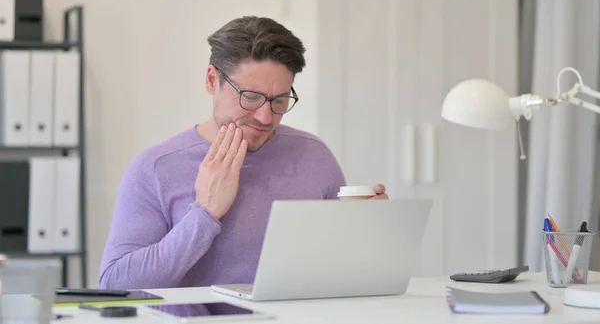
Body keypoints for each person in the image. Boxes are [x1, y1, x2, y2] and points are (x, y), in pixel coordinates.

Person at [98, 16, 388, 290]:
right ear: (213, 80)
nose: (265, 117)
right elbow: (116, 284)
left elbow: (340, 271)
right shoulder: (155, 169)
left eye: (280, 100)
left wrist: (364, 233)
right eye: (250, 97)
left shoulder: (314, 157)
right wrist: (205, 213)